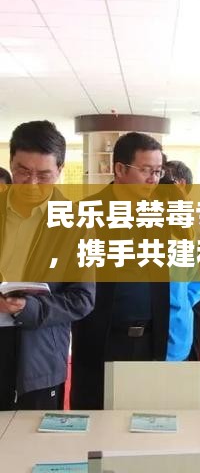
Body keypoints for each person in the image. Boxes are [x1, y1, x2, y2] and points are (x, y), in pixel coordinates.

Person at [70, 132, 172, 410]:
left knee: (144, 418)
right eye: (146, 170)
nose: (153, 179)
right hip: (100, 338)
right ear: (119, 169)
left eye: (158, 171)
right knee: (95, 416)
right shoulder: (85, 212)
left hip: (149, 340)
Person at [0, 120, 95, 410]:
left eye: (43, 175)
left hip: (38, 359)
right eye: (22, 172)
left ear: (60, 170)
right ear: (11, 162)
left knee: (33, 436)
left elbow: (82, 299)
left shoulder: (76, 223)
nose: (31, 184)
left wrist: (26, 308)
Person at [160, 160, 200, 361]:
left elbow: (198, 280)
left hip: (180, 323)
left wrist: (180, 302)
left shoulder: (190, 225)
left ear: (180, 183)